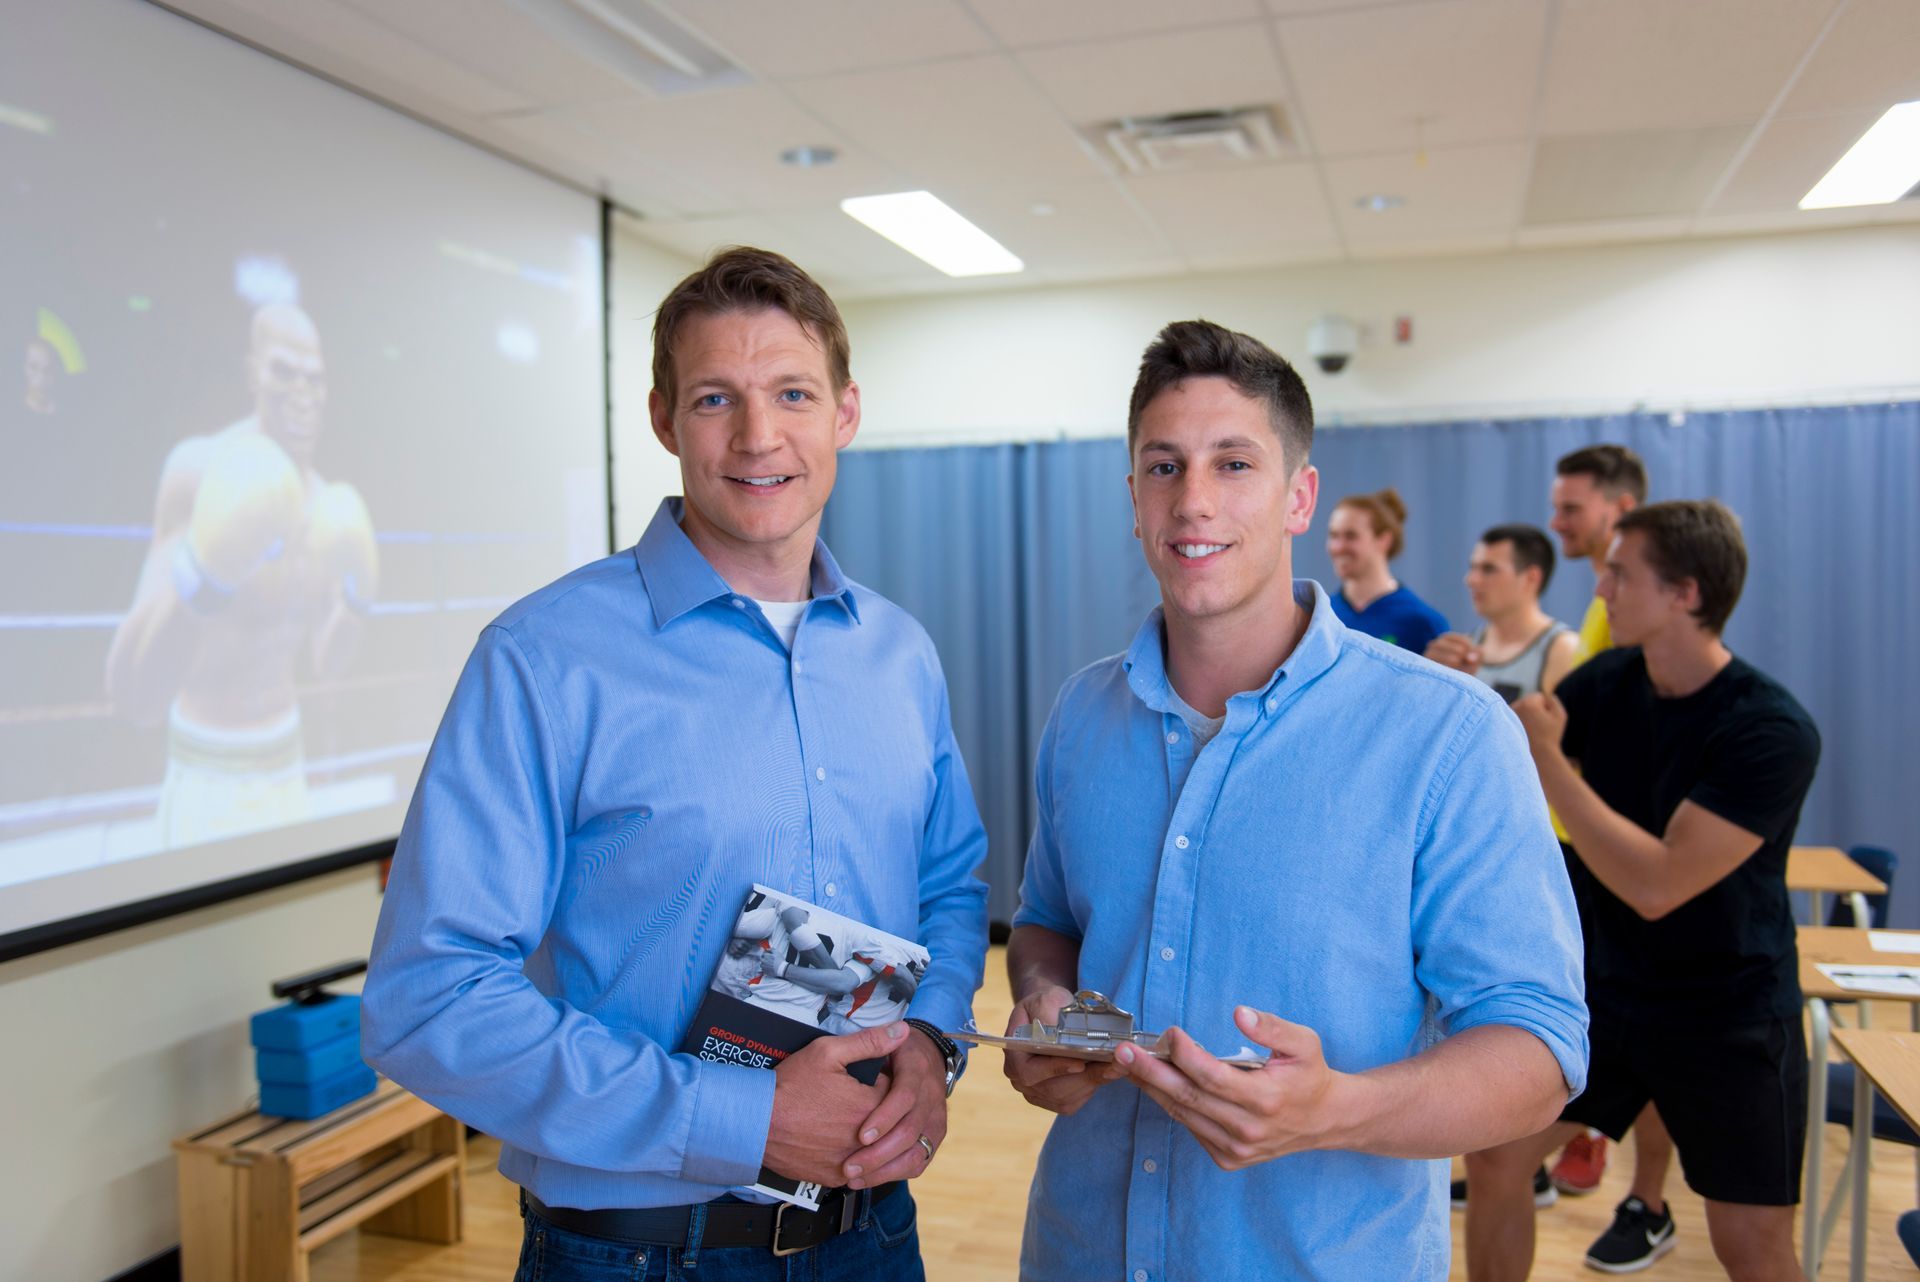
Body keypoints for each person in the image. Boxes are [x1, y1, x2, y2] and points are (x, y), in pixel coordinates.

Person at [361, 247, 990, 1280]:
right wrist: (740, 1119)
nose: (759, 435)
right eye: (715, 398)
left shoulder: (899, 654)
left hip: (872, 1233)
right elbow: (428, 996)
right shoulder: (545, 657)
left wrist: (931, 1043)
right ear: (663, 420)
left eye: (793, 392)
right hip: (642, 1256)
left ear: (846, 412)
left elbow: (949, 887)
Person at [1002, 319, 1588, 1281]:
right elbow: (1045, 923)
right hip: (1078, 1252)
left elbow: (1540, 1047)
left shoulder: (1447, 732)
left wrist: (1339, 1109)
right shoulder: (1082, 715)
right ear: (1134, 500)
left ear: (1298, 498)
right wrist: (1046, 1006)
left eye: (1235, 464)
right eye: (1163, 467)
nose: (1194, 502)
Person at [1464, 500, 1820, 1282]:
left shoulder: (1771, 731)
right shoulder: (1614, 679)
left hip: (1728, 1015)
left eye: (1620, 575)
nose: (1602, 593)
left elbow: (1658, 882)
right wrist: (1462, 698)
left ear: (1685, 593)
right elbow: (1514, 757)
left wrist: (1551, 759)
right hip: (1610, 995)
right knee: (1494, 1158)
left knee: (1751, 1246)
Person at [105, 302, 377, 848]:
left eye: (315, 378)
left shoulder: (325, 504)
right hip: (207, 761)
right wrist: (204, 578)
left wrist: (358, 599)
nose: (302, 391)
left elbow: (328, 666)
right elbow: (131, 696)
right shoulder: (198, 470)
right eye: (284, 371)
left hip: (286, 755)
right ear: (252, 371)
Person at [1426, 525, 1578, 704]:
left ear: (1531, 578)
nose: (1471, 580)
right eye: (1473, 568)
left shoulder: (1562, 650)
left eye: (1488, 569)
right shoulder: (1461, 650)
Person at [1327, 487, 1449, 653]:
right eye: (1334, 535)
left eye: (1351, 536)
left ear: (1384, 540)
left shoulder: (1422, 623)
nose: (1338, 547)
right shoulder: (1322, 616)